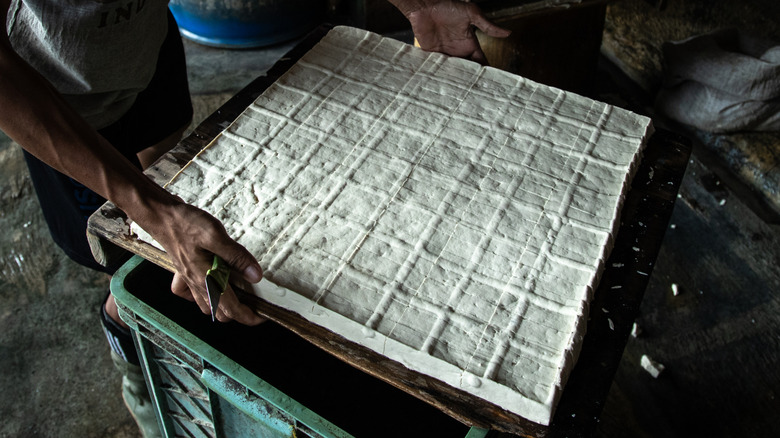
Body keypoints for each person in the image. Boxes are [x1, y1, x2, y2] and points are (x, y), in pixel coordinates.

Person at [0, 0, 509, 436]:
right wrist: (151, 211)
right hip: (58, 96)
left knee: (179, 190)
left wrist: (417, 5)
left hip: (144, 49)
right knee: (135, 256)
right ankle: (141, 375)